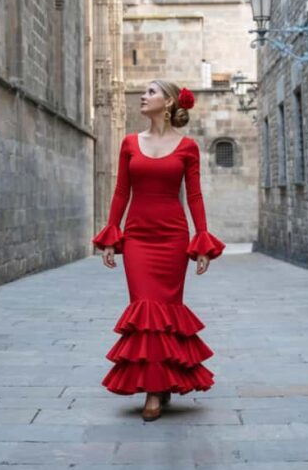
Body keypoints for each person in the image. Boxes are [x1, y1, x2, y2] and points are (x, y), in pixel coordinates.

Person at [91, 79, 225, 421]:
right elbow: (121, 191)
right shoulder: (129, 143)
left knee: (165, 314)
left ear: (167, 103)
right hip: (137, 237)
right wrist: (111, 235)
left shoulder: (187, 147)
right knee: (144, 310)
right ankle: (154, 387)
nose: (143, 96)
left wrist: (203, 241)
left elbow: (193, 196)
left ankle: (158, 385)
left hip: (172, 238)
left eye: (150, 92)